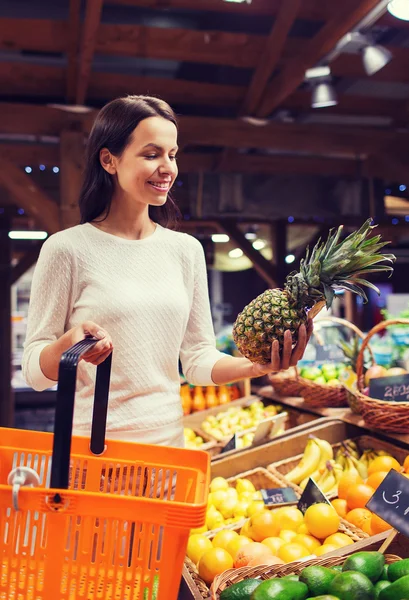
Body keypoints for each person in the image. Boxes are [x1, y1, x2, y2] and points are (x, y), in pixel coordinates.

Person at [22, 95, 312, 449]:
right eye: (151, 154)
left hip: (170, 448)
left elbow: (197, 360)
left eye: (172, 155)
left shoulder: (185, 251)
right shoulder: (66, 249)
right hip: (94, 452)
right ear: (109, 160)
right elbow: (35, 373)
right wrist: (69, 346)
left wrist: (255, 368)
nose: (168, 168)